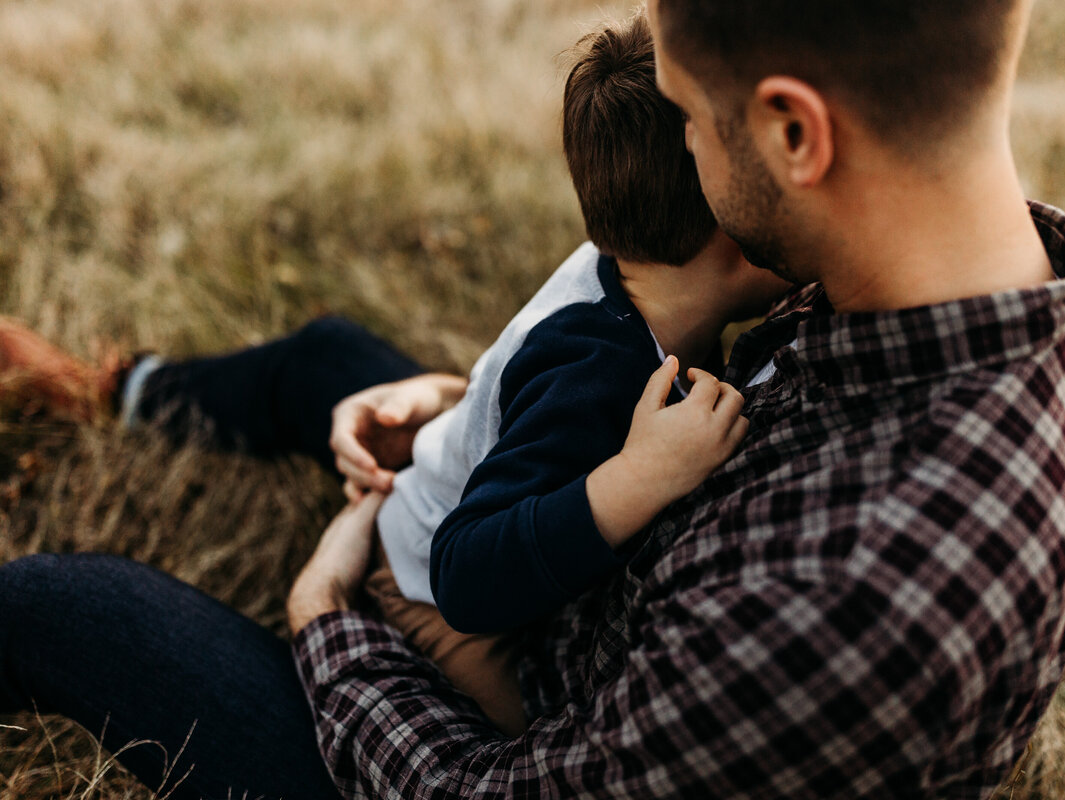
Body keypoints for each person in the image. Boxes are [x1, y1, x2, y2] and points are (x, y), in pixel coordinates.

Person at [0, 1, 1065, 798]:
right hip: (561, 564)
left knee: (56, 602)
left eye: (681, 110)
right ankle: (114, 387)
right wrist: (462, 406)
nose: (671, 145)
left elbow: (492, 781)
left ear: (792, 134)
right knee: (335, 354)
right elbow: (585, 376)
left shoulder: (855, 594)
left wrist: (329, 616)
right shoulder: (944, 281)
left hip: (496, 674)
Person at [0, 8, 785, 784]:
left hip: (443, 487)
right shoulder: (598, 370)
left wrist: (455, 405)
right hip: (434, 601)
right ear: (730, 222)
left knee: (333, 353)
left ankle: (122, 389)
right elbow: (470, 575)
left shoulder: (627, 259)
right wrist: (636, 478)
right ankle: (111, 392)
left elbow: (523, 384)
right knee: (524, 736)